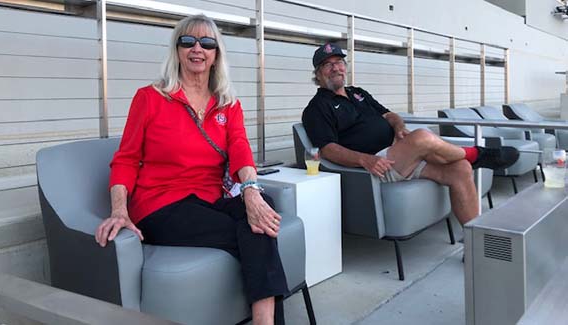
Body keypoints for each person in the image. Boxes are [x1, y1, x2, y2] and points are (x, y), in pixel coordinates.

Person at [94, 15, 287, 325]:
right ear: (177, 49)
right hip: (161, 204)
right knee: (256, 230)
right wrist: (119, 210)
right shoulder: (150, 98)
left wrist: (252, 194)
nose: (198, 48)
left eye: (207, 43)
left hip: (207, 200)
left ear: (216, 55)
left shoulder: (228, 104)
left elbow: (240, 148)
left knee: (263, 210)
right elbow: (126, 159)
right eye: (188, 41)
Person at [302, 43, 519, 225]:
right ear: (318, 74)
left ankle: (475, 243)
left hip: (399, 155)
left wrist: (398, 128)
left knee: (460, 168)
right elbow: (327, 149)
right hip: (375, 166)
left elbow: (389, 115)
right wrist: (365, 159)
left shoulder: (358, 93)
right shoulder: (317, 108)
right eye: (328, 65)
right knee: (422, 137)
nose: (335, 68)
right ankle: (477, 155)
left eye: (339, 62)